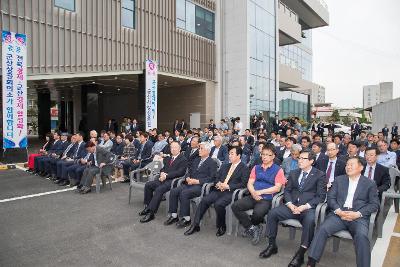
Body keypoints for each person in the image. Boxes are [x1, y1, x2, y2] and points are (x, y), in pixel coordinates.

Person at [306, 157, 379, 267]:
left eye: (351, 164)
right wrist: (338, 211)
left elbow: (374, 204)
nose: (348, 167)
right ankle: (311, 262)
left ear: (361, 167)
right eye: (347, 164)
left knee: (362, 236)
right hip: (338, 215)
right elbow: (331, 198)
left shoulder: (370, 183)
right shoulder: (339, 180)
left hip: (358, 217)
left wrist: (358, 214)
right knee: (322, 229)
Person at [260, 150, 326, 267]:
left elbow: (321, 196)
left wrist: (304, 207)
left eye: (303, 159)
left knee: (310, 221)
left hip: (307, 208)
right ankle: (272, 245)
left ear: (311, 161)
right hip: (292, 206)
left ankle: (300, 254)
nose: (299, 160)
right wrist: (290, 204)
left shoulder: (319, 175)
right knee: (272, 213)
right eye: (299, 158)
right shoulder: (294, 172)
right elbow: (287, 191)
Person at [184, 146, 249, 236]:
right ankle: (195, 225)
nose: (229, 156)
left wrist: (228, 186)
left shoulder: (244, 168)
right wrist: (218, 183)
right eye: (229, 154)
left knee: (219, 204)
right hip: (219, 190)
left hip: (231, 192)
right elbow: (216, 177)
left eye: (232, 154)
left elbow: (243, 184)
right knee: (204, 200)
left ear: (239, 156)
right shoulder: (225, 166)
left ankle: (222, 226)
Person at [232, 144, 286, 245]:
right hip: (253, 195)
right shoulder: (256, 168)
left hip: (267, 198)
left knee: (257, 213)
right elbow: (250, 183)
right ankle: (253, 227)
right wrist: (253, 192)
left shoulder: (278, 170)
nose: (264, 157)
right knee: (235, 206)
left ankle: (253, 226)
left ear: (273, 156)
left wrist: (260, 192)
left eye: (268, 155)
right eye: (263, 154)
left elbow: (277, 188)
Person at [165, 142, 217, 228]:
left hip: (201, 186)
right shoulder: (196, 160)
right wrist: (188, 177)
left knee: (184, 193)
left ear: (208, 151)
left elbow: (212, 178)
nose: (199, 150)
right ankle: (174, 216)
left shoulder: (212, 162)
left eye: (201, 149)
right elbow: (189, 171)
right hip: (190, 183)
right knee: (174, 191)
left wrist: (197, 181)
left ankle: (186, 218)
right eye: (199, 148)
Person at [139, 142, 188, 223]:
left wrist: (166, 176)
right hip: (163, 179)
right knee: (148, 185)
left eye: (175, 147)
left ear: (179, 149)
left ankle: (151, 213)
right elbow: (163, 168)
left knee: (159, 189)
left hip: (173, 181)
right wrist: (162, 173)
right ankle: (147, 207)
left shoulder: (183, 159)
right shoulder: (169, 158)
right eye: (171, 147)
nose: (173, 149)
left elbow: (180, 172)